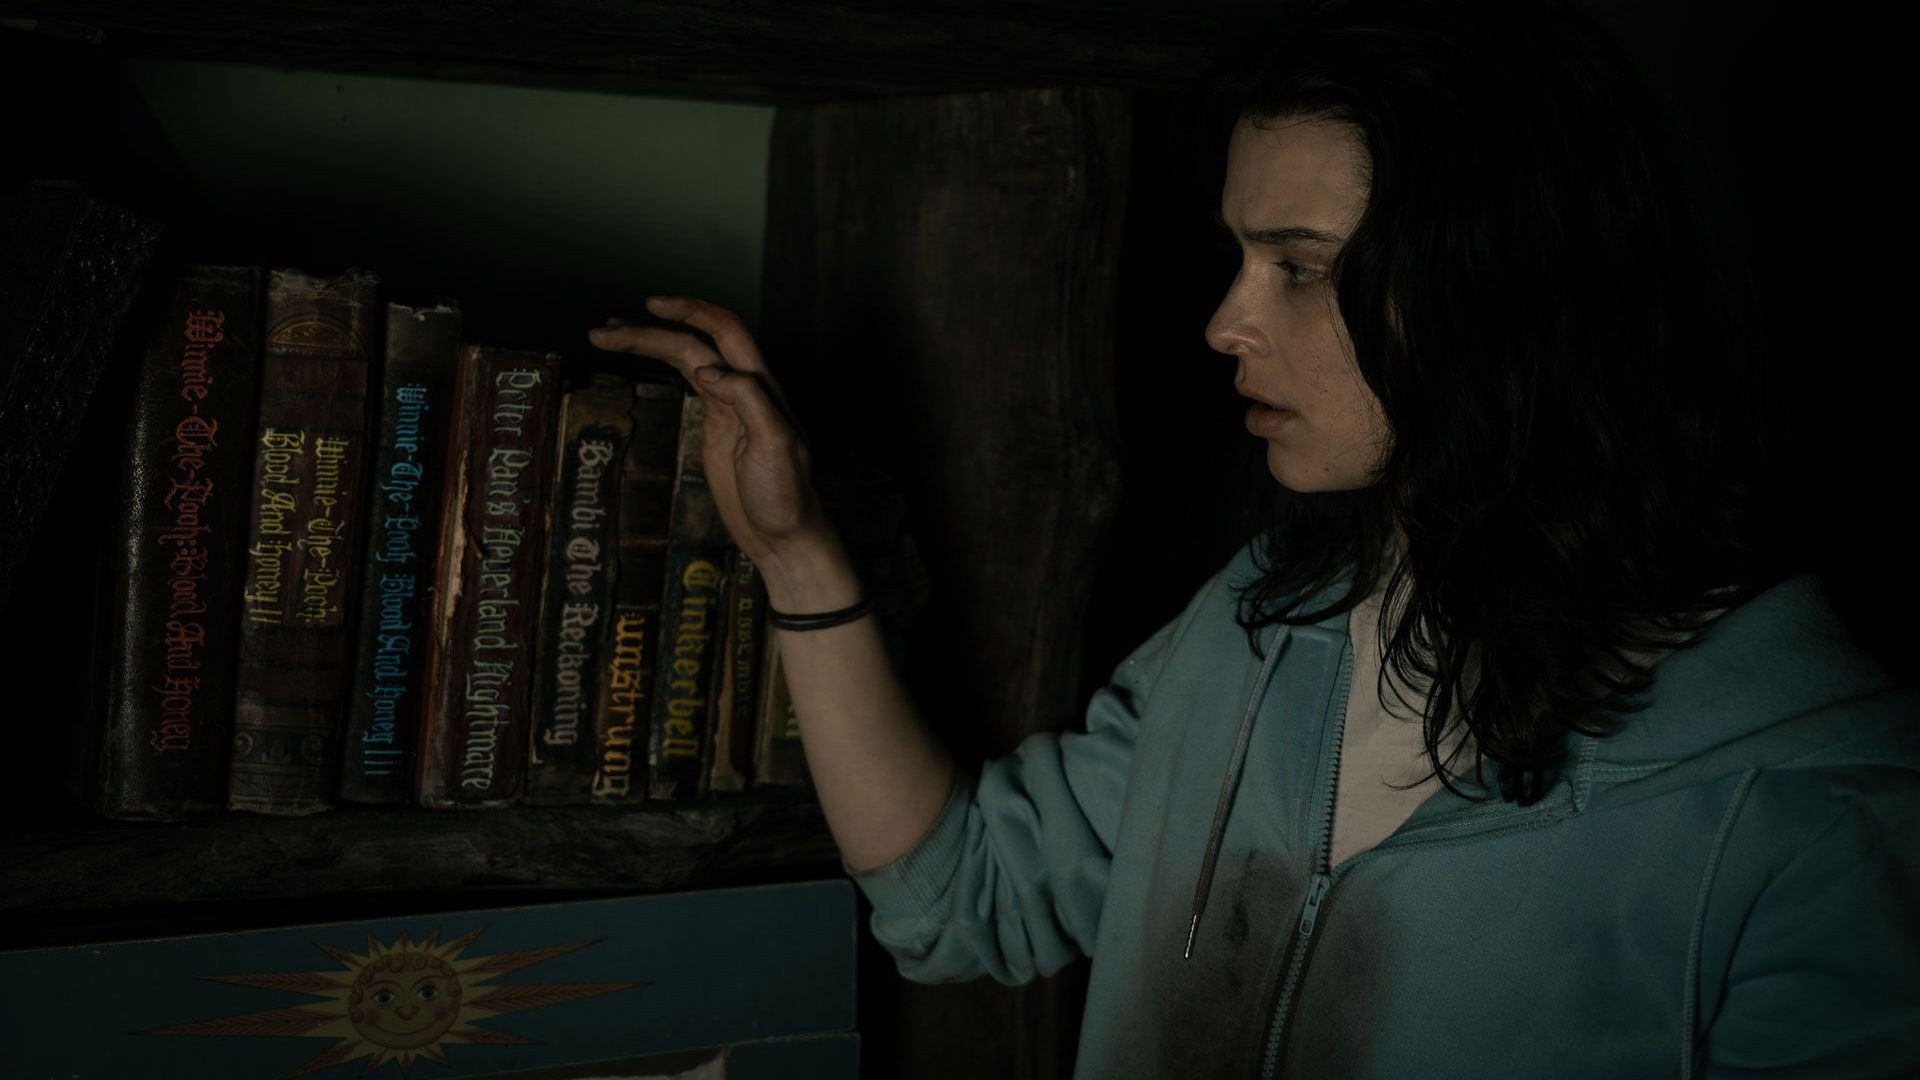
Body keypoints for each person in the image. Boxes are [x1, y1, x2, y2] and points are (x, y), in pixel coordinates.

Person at [587, 0, 1920, 1074]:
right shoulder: (1259, 622)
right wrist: (799, 557)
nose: (1227, 322)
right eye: (1237, 257)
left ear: (1505, 284)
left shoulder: (1819, 799)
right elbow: (962, 896)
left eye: (1302, 266)